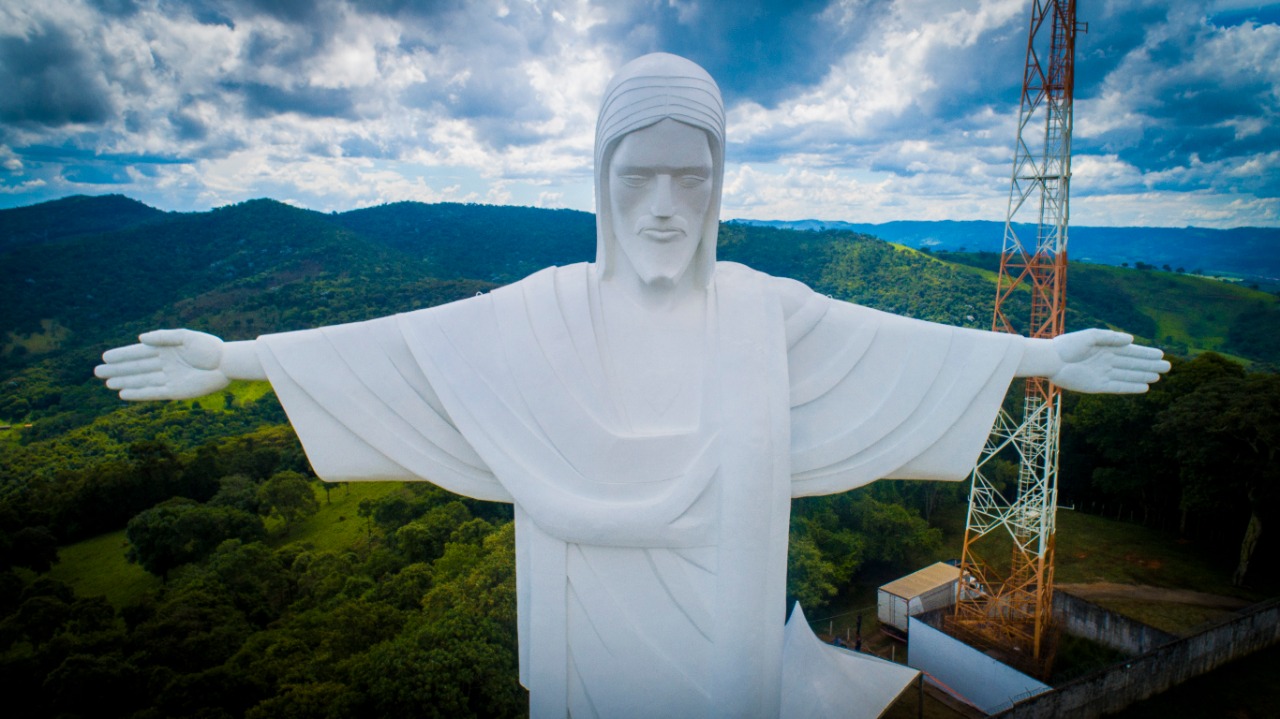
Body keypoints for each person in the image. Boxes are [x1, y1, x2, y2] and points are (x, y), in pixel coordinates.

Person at [95, 53, 1168, 719]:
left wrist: (1041, 357)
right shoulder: (538, 310)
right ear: (599, 183)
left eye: (688, 177)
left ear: (718, 186)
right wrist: (236, 362)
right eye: (636, 176)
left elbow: (891, 345)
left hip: (722, 632)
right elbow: (406, 348)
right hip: (587, 636)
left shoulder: (758, 310)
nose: (662, 204)